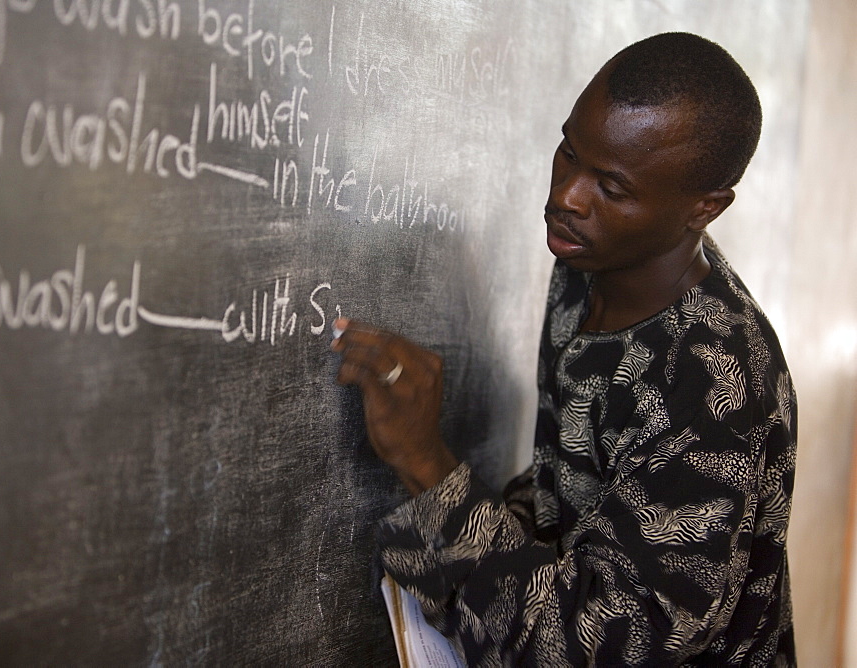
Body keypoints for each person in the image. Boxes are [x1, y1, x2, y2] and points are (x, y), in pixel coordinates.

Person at [332, 32, 796, 666]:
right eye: (568, 152)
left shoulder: (711, 387)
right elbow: (574, 490)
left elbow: (584, 650)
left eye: (612, 187)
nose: (566, 197)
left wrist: (425, 462)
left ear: (704, 208)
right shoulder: (591, 264)